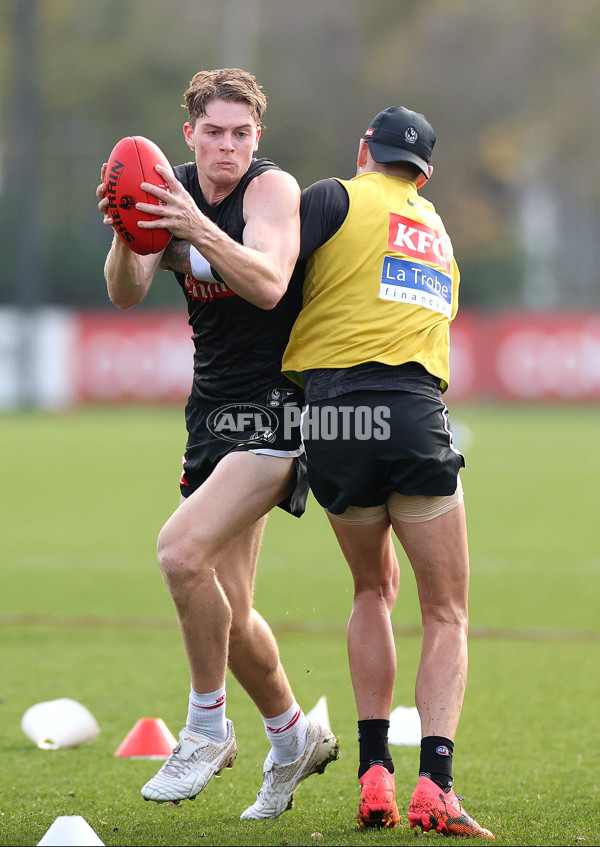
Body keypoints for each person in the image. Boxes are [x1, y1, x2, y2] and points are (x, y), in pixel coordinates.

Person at [96, 68, 338, 819]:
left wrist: (195, 228)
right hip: (210, 413)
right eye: (214, 132)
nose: (227, 146)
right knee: (227, 610)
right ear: (189, 135)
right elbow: (126, 289)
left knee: (178, 551)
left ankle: (205, 727)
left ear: (255, 138)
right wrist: (128, 230)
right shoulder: (170, 190)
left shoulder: (271, 191)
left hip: (279, 408)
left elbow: (268, 282)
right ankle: (293, 735)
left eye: (241, 133)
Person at [282, 106, 495, 838]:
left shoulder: (334, 194)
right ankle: (434, 781)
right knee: (446, 611)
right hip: (408, 410)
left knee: (371, 587)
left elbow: (274, 277)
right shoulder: (439, 235)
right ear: (426, 172)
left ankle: (374, 771)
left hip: (333, 416)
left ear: (365, 148)